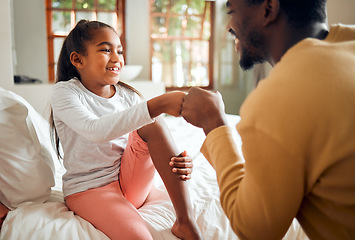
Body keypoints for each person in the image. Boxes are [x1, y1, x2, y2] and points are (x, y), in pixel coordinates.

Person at [181, 0, 355, 239]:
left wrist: (214, 123)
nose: (229, 27)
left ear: (268, 9)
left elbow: (254, 230)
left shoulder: (282, 95)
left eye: (232, 11)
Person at [50, 20, 202, 240]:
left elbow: (148, 140)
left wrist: (178, 160)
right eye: (105, 49)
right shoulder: (65, 93)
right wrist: (158, 104)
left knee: (153, 123)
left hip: (130, 181)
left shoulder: (128, 95)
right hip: (91, 189)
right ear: (77, 59)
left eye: (119, 51)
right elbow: (96, 130)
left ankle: (185, 221)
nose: (116, 58)